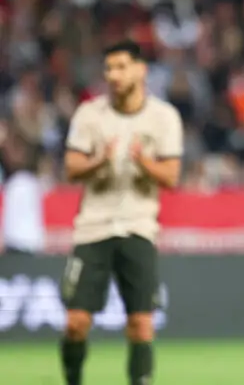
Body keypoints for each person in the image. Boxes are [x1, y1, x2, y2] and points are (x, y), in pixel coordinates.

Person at [60, 41, 183, 385]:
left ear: (140, 70)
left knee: (141, 323)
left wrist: (142, 161)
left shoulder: (163, 117)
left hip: (139, 227)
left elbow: (171, 175)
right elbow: (71, 167)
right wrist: (101, 158)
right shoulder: (89, 114)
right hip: (92, 228)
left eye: (121, 67)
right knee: (75, 322)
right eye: (109, 69)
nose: (113, 75)